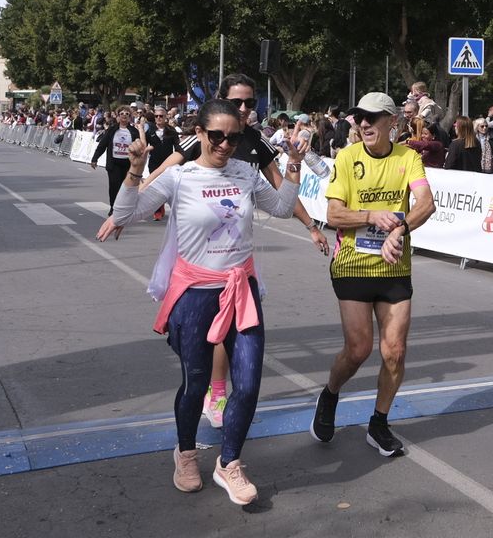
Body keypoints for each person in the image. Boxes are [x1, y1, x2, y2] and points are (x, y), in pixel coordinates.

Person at [106, 99, 304, 506]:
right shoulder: (179, 178)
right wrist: (134, 170)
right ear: (199, 133)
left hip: (241, 289)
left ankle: (229, 463)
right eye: (216, 136)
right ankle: (186, 454)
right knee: (196, 382)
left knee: (247, 384)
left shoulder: (246, 175)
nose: (225, 145)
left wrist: (295, 166)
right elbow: (127, 213)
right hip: (195, 294)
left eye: (233, 137)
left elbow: (283, 207)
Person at [101, 75, 328, 427]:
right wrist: (132, 188)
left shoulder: (252, 148)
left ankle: (228, 449)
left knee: (244, 370)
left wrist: (310, 221)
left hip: (239, 273)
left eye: (249, 104)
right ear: (208, 125)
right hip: (196, 276)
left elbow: (281, 195)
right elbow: (166, 170)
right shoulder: (195, 153)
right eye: (235, 104)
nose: (240, 114)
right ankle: (203, 416)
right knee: (198, 370)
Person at [311, 92, 436, 458]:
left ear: (391, 123)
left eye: (371, 117)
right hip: (352, 265)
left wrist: (399, 229)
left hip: (395, 264)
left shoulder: (408, 158)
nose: (363, 123)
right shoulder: (348, 158)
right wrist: (371, 216)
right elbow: (334, 215)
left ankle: (379, 423)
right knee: (359, 349)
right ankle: (331, 393)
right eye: (358, 118)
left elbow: (426, 203)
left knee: (394, 351)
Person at [91, 107, 143, 209]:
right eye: (122, 113)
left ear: (130, 117)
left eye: (127, 114)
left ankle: (124, 207)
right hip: (114, 163)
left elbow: (140, 146)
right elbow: (103, 145)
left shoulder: (134, 131)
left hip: (128, 163)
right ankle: (113, 207)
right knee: (114, 186)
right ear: (118, 116)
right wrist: (94, 158)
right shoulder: (112, 130)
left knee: (126, 187)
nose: (124, 115)